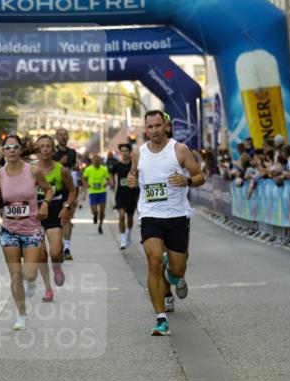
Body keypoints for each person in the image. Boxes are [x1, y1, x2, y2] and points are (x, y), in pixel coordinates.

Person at [127, 111, 204, 336]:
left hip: (177, 215)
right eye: (150, 127)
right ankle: (160, 318)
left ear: (166, 126)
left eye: (158, 126)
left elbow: (200, 177)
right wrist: (131, 180)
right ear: (145, 129)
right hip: (150, 214)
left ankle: (173, 275)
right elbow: (133, 176)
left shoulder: (179, 150)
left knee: (178, 268)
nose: (154, 131)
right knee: (153, 262)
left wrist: (188, 180)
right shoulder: (138, 153)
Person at [0, 135, 54, 330]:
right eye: (7, 148)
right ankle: (22, 315)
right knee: (16, 275)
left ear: (20, 150)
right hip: (9, 230)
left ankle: (32, 281)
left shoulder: (33, 171)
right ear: (3, 151)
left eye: (15, 147)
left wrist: (45, 205)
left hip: (32, 229)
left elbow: (49, 190)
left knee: (29, 273)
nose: (11, 151)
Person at [33, 135, 76, 302]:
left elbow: (72, 191)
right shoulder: (30, 170)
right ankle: (48, 289)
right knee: (41, 255)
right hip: (35, 216)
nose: (44, 149)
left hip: (54, 214)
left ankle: (57, 267)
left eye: (48, 146)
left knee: (55, 252)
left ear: (53, 149)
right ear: (37, 150)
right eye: (41, 146)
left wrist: (66, 207)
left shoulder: (62, 170)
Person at [53, 128, 78, 259]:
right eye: (61, 135)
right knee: (57, 221)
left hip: (68, 190)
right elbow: (47, 168)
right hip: (54, 190)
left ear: (68, 137)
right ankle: (59, 245)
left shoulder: (73, 152)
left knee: (67, 217)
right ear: (57, 137)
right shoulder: (52, 152)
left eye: (65, 135)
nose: (63, 137)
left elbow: (73, 169)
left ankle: (67, 248)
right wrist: (59, 163)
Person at [111, 143, 138, 249]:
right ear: (120, 152)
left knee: (130, 217)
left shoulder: (133, 165)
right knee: (121, 216)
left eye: (126, 151)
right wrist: (112, 181)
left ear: (129, 152)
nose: (124, 153)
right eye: (122, 151)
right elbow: (111, 173)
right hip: (120, 194)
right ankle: (122, 240)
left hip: (131, 194)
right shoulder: (117, 165)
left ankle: (128, 235)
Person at [82, 153, 111, 234]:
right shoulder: (88, 169)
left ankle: (100, 226)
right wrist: (86, 184)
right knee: (95, 211)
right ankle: (95, 216)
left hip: (102, 192)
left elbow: (108, 179)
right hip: (92, 192)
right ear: (92, 161)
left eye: (98, 161)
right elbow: (84, 178)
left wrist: (107, 183)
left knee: (102, 211)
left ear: (100, 161)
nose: (96, 162)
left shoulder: (104, 169)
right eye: (95, 161)